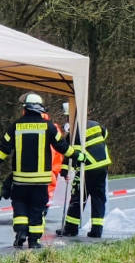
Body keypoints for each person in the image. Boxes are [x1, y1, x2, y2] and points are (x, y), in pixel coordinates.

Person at [0, 93, 85, 249]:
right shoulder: (49, 126)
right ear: (40, 109)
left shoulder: (15, 126)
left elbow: (2, 151)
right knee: (36, 209)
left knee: (20, 205)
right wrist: (78, 155)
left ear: (25, 109)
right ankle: (34, 241)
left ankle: (20, 233)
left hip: (20, 180)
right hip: (40, 182)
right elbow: (62, 147)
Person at [56, 119, 111, 238]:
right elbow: (105, 134)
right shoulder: (96, 124)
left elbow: (69, 153)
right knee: (98, 198)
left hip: (87, 168)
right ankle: (97, 230)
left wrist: (64, 171)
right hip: (103, 165)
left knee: (78, 198)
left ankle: (71, 229)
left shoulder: (73, 134)